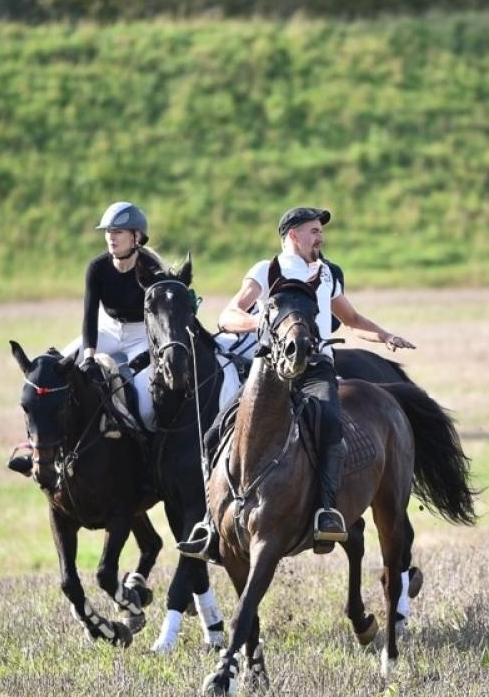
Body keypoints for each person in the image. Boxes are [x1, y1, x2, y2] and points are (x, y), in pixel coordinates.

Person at [177, 206, 414, 556]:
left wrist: (385, 336)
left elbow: (350, 318)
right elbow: (228, 315)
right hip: (271, 370)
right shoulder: (265, 270)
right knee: (217, 431)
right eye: (314, 230)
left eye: (320, 231)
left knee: (330, 424)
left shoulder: (327, 274)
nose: (320, 237)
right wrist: (261, 325)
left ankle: (325, 513)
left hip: (316, 369)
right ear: (293, 235)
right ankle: (211, 523)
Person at [70, 201, 167, 437]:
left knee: (146, 409)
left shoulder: (153, 270)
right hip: (106, 330)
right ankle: (38, 445)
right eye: (108, 232)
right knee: (54, 370)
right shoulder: (97, 268)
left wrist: (151, 353)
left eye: (117, 231)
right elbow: (90, 314)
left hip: (140, 336)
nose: (111, 237)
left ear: (136, 237)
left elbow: (161, 319)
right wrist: (90, 357)